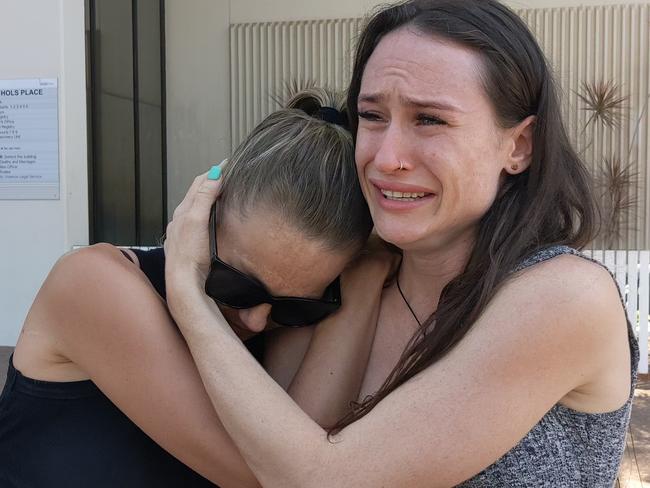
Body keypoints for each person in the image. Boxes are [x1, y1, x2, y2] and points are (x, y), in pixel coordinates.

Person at [163, 1, 639, 486]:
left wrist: (187, 291)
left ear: (518, 146)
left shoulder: (563, 297)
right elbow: (274, 454)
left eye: (429, 119)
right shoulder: (329, 291)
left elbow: (323, 479)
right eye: (372, 116)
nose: (386, 158)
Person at [0, 88, 393, 487]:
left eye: (295, 307)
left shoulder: (282, 316)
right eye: (236, 284)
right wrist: (186, 287)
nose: (257, 321)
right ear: (202, 214)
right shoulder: (91, 284)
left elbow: (301, 454)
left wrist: (366, 275)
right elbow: (276, 477)